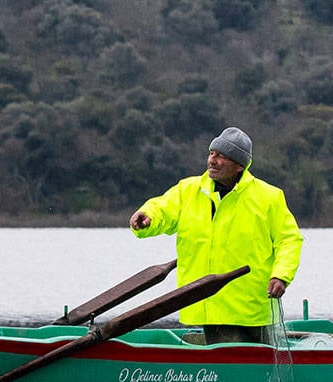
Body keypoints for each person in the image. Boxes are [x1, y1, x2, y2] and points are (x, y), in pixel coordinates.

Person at [129, 127, 303, 345]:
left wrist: (281, 275)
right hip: (201, 302)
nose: (213, 160)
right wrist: (148, 217)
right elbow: (162, 208)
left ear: (240, 165)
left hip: (248, 307)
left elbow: (289, 240)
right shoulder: (188, 190)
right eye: (212, 153)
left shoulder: (269, 197)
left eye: (222, 156)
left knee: (250, 366)